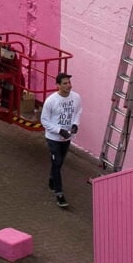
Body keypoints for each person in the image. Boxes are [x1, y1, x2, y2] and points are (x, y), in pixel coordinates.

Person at [41, 72, 81, 208]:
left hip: (67, 138)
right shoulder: (51, 101)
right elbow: (44, 120)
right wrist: (59, 131)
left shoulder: (76, 98)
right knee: (57, 163)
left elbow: (77, 112)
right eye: (65, 83)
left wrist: (75, 124)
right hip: (53, 138)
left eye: (69, 82)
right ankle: (59, 194)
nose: (68, 85)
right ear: (58, 85)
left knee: (59, 162)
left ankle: (52, 178)